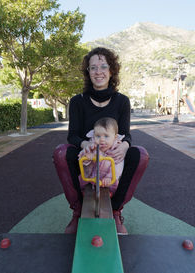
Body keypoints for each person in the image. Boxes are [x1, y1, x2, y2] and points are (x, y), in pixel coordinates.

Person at [53, 47, 149, 235]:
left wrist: (124, 146)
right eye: (93, 67)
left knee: (141, 155)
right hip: (87, 155)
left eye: (103, 66)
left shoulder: (122, 101)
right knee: (61, 152)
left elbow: (126, 134)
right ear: (87, 72)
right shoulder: (77, 101)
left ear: (111, 71)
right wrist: (85, 144)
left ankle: (115, 210)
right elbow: (72, 135)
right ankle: (78, 211)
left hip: (112, 156)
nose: (98, 71)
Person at [78, 117, 125, 195]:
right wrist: (87, 157)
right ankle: (81, 193)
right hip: (91, 178)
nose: (101, 140)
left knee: (115, 187)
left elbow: (118, 165)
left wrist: (110, 177)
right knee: (80, 182)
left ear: (115, 137)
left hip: (107, 180)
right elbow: (81, 158)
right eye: (98, 136)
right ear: (94, 136)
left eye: (106, 136)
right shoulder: (92, 146)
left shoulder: (116, 150)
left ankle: (112, 196)